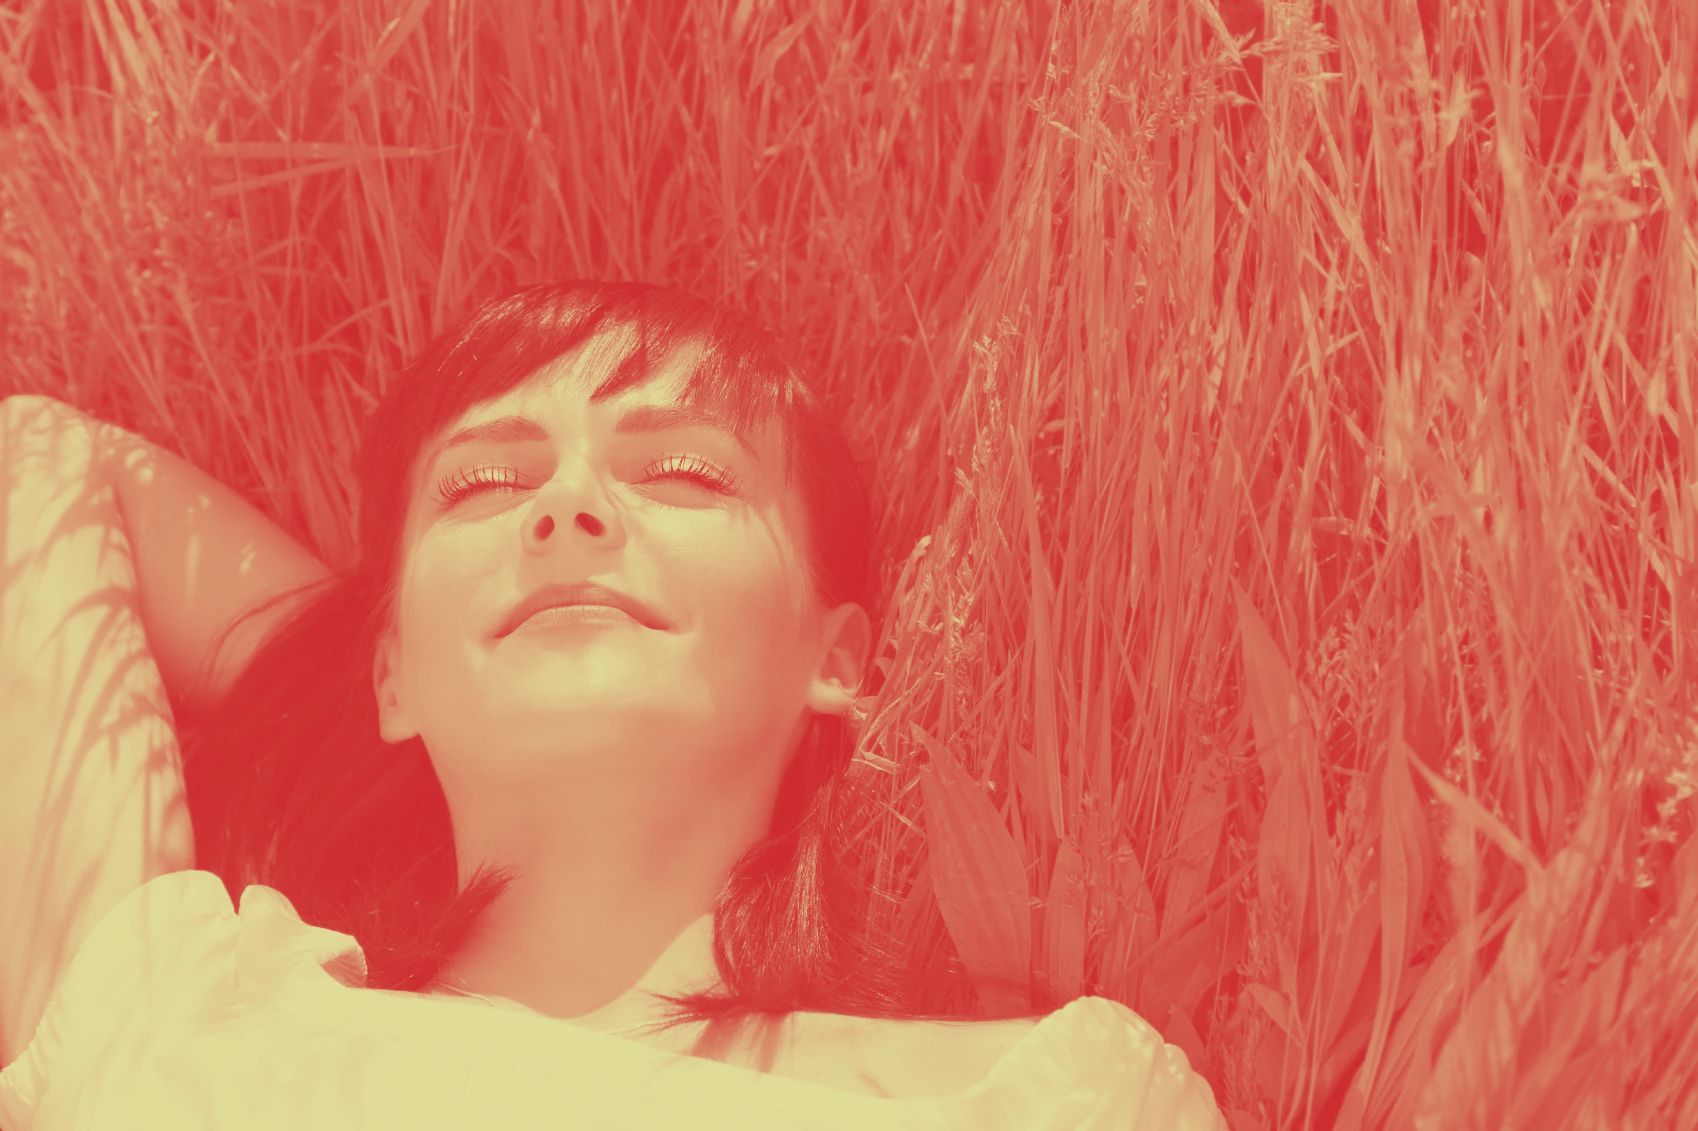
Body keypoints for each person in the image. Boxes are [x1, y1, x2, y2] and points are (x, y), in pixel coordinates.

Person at [0, 281, 1227, 1128]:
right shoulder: (181, 1008)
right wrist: (412, 662)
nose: (566, 509)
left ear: (839, 658)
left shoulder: (1050, 1097)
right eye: (483, 486)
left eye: (683, 472)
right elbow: (43, 460)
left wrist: (466, 643)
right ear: (389, 677)